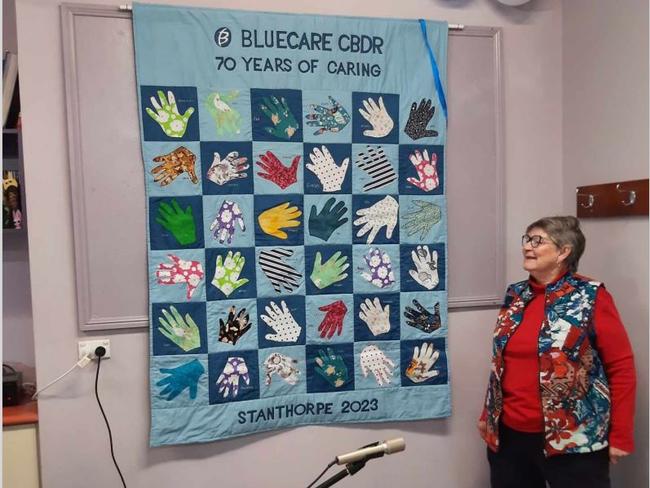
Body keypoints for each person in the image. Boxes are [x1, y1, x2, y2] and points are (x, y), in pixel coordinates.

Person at [477, 216, 636, 488]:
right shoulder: (515, 295)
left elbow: (621, 368)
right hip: (510, 436)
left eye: (537, 241)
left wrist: (621, 435)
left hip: (573, 438)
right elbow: (503, 364)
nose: (528, 246)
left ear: (564, 251)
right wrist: (487, 415)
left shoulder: (591, 296)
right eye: (526, 239)